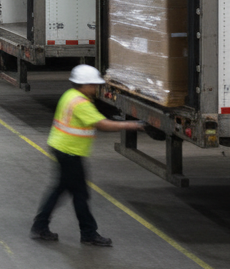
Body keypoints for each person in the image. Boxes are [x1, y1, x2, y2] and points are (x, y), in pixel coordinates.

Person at [30, 65, 145, 246]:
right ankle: (87, 233)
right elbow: (102, 124)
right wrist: (131, 125)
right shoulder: (81, 103)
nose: (95, 88)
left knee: (62, 189)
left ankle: (41, 226)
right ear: (83, 84)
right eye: (93, 84)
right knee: (79, 194)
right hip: (70, 152)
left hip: (62, 148)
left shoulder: (70, 95)